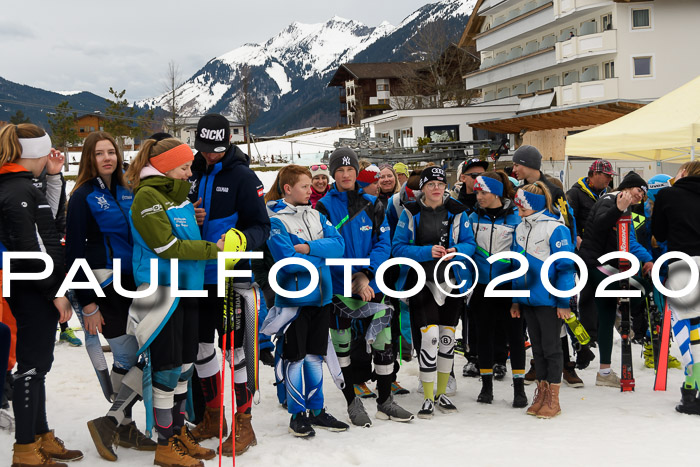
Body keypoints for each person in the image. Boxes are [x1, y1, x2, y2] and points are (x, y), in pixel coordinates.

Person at [125, 137, 223, 466]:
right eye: (183, 167)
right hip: (162, 290)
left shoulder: (178, 199)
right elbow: (167, 248)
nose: (188, 174)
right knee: (166, 369)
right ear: (166, 166)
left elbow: (184, 238)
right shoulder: (147, 196)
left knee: (184, 367)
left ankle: (179, 433)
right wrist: (215, 250)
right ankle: (167, 444)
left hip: (187, 287)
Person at [65, 131, 157, 460]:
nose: (107, 158)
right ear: (89, 158)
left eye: (111, 152)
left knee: (138, 357)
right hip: (103, 285)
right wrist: (87, 303)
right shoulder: (82, 196)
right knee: (128, 357)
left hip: (136, 283)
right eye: (99, 153)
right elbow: (74, 252)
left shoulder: (128, 189)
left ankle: (120, 425)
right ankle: (117, 423)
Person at [187, 114, 270, 456]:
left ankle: (244, 422)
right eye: (205, 149)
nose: (211, 156)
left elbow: (262, 227)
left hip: (232, 276)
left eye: (217, 149)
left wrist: (239, 237)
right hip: (195, 273)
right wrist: (188, 216)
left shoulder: (243, 176)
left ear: (229, 142)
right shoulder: (190, 172)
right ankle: (211, 417)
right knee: (202, 348)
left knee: (236, 352)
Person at [0, 123, 82, 466]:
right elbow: (30, 246)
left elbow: (46, 220)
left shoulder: (21, 185)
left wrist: (53, 178)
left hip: (31, 286)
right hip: (32, 289)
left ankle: (40, 435)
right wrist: (55, 292)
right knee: (32, 368)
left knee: (39, 366)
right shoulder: (17, 190)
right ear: (35, 153)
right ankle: (25, 450)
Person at [316, 147, 414, 427]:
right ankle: (351, 402)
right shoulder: (323, 207)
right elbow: (327, 248)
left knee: (384, 344)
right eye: (340, 170)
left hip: (372, 284)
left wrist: (367, 275)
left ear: (357, 172)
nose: (346, 175)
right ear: (333, 173)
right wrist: (352, 277)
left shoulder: (374, 203)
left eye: (350, 170)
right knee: (343, 346)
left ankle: (386, 402)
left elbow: (383, 244)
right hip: (338, 286)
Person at [264, 165, 349, 436]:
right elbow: (288, 263)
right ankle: (296, 414)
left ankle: (317, 410)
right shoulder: (276, 219)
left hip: (322, 298)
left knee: (315, 356)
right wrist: (320, 256)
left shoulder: (315, 214)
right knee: (295, 357)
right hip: (295, 301)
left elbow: (340, 246)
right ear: (288, 188)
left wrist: (308, 248)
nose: (310, 190)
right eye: (304, 186)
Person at [392, 166, 476, 418]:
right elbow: (397, 247)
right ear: (423, 188)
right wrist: (425, 251)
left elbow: (470, 243)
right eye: (431, 185)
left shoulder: (458, 211)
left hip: (450, 281)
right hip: (422, 281)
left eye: (440, 184)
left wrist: (457, 250)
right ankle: (427, 396)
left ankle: (441, 393)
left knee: (447, 337)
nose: (436, 188)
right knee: (429, 338)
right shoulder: (411, 211)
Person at [511, 145, 583, 386]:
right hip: (530, 285)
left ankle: (565, 368)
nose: (514, 169)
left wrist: (571, 243)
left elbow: (567, 219)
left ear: (528, 164)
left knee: (554, 334)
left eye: (517, 164)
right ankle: (541, 379)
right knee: (539, 338)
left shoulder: (552, 191)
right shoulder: (522, 197)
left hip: (552, 275)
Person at [579, 171, 654, 387]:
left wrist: (647, 259)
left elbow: (629, 240)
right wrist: (618, 209)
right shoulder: (610, 200)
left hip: (603, 265)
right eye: (639, 190)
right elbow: (601, 225)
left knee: (605, 314)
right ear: (627, 187)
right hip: (597, 265)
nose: (641, 196)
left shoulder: (623, 207)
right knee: (640, 287)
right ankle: (623, 311)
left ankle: (604, 373)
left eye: (644, 194)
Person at [510, 183, 575, 419]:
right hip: (528, 300)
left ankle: (553, 398)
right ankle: (542, 392)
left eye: (522, 208)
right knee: (537, 350)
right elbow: (517, 268)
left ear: (534, 206)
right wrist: (516, 300)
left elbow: (566, 268)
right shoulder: (521, 228)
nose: (518, 212)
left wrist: (563, 301)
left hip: (549, 301)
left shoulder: (555, 229)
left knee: (551, 349)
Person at [468, 172, 527, 407]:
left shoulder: (515, 218)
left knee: (515, 336)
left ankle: (519, 389)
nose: (479, 196)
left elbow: (520, 259)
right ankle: (486, 386)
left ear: (496, 193)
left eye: (483, 192)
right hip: (482, 288)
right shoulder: (472, 217)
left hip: (507, 286)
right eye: (477, 192)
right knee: (483, 336)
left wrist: (517, 295)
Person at [652, 161, 700, 414]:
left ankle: (692, 388)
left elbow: (659, 233)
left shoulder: (669, 194)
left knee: (685, 324)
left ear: (683, 173)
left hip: (683, 264)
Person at [566, 160, 614, 365]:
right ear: (593, 174)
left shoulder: (608, 193)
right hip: (582, 249)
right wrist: (578, 240)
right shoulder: (575, 193)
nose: (609, 179)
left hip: (602, 250)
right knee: (586, 291)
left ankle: (595, 332)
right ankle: (587, 335)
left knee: (599, 290)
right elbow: (569, 218)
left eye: (611, 176)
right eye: (606, 175)